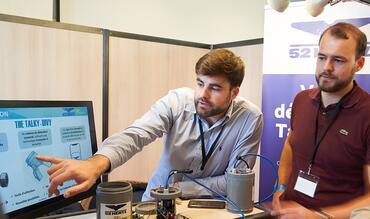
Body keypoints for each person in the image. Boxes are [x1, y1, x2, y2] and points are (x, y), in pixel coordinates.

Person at [37, 48, 263, 201]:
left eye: (214, 88)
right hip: (156, 202)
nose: (202, 94)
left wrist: (181, 189)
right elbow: (136, 135)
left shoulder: (250, 118)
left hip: (210, 209)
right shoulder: (177, 101)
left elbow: (237, 181)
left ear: (234, 92)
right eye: (200, 83)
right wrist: (96, 164)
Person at [272, 22, 370, 218]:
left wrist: (319, 216)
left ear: (358, 64)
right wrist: (281, 186)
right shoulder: (301, 100)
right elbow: (290, 145)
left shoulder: (366, 113)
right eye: (322, 57)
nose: (327, 67)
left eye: (339, 60)